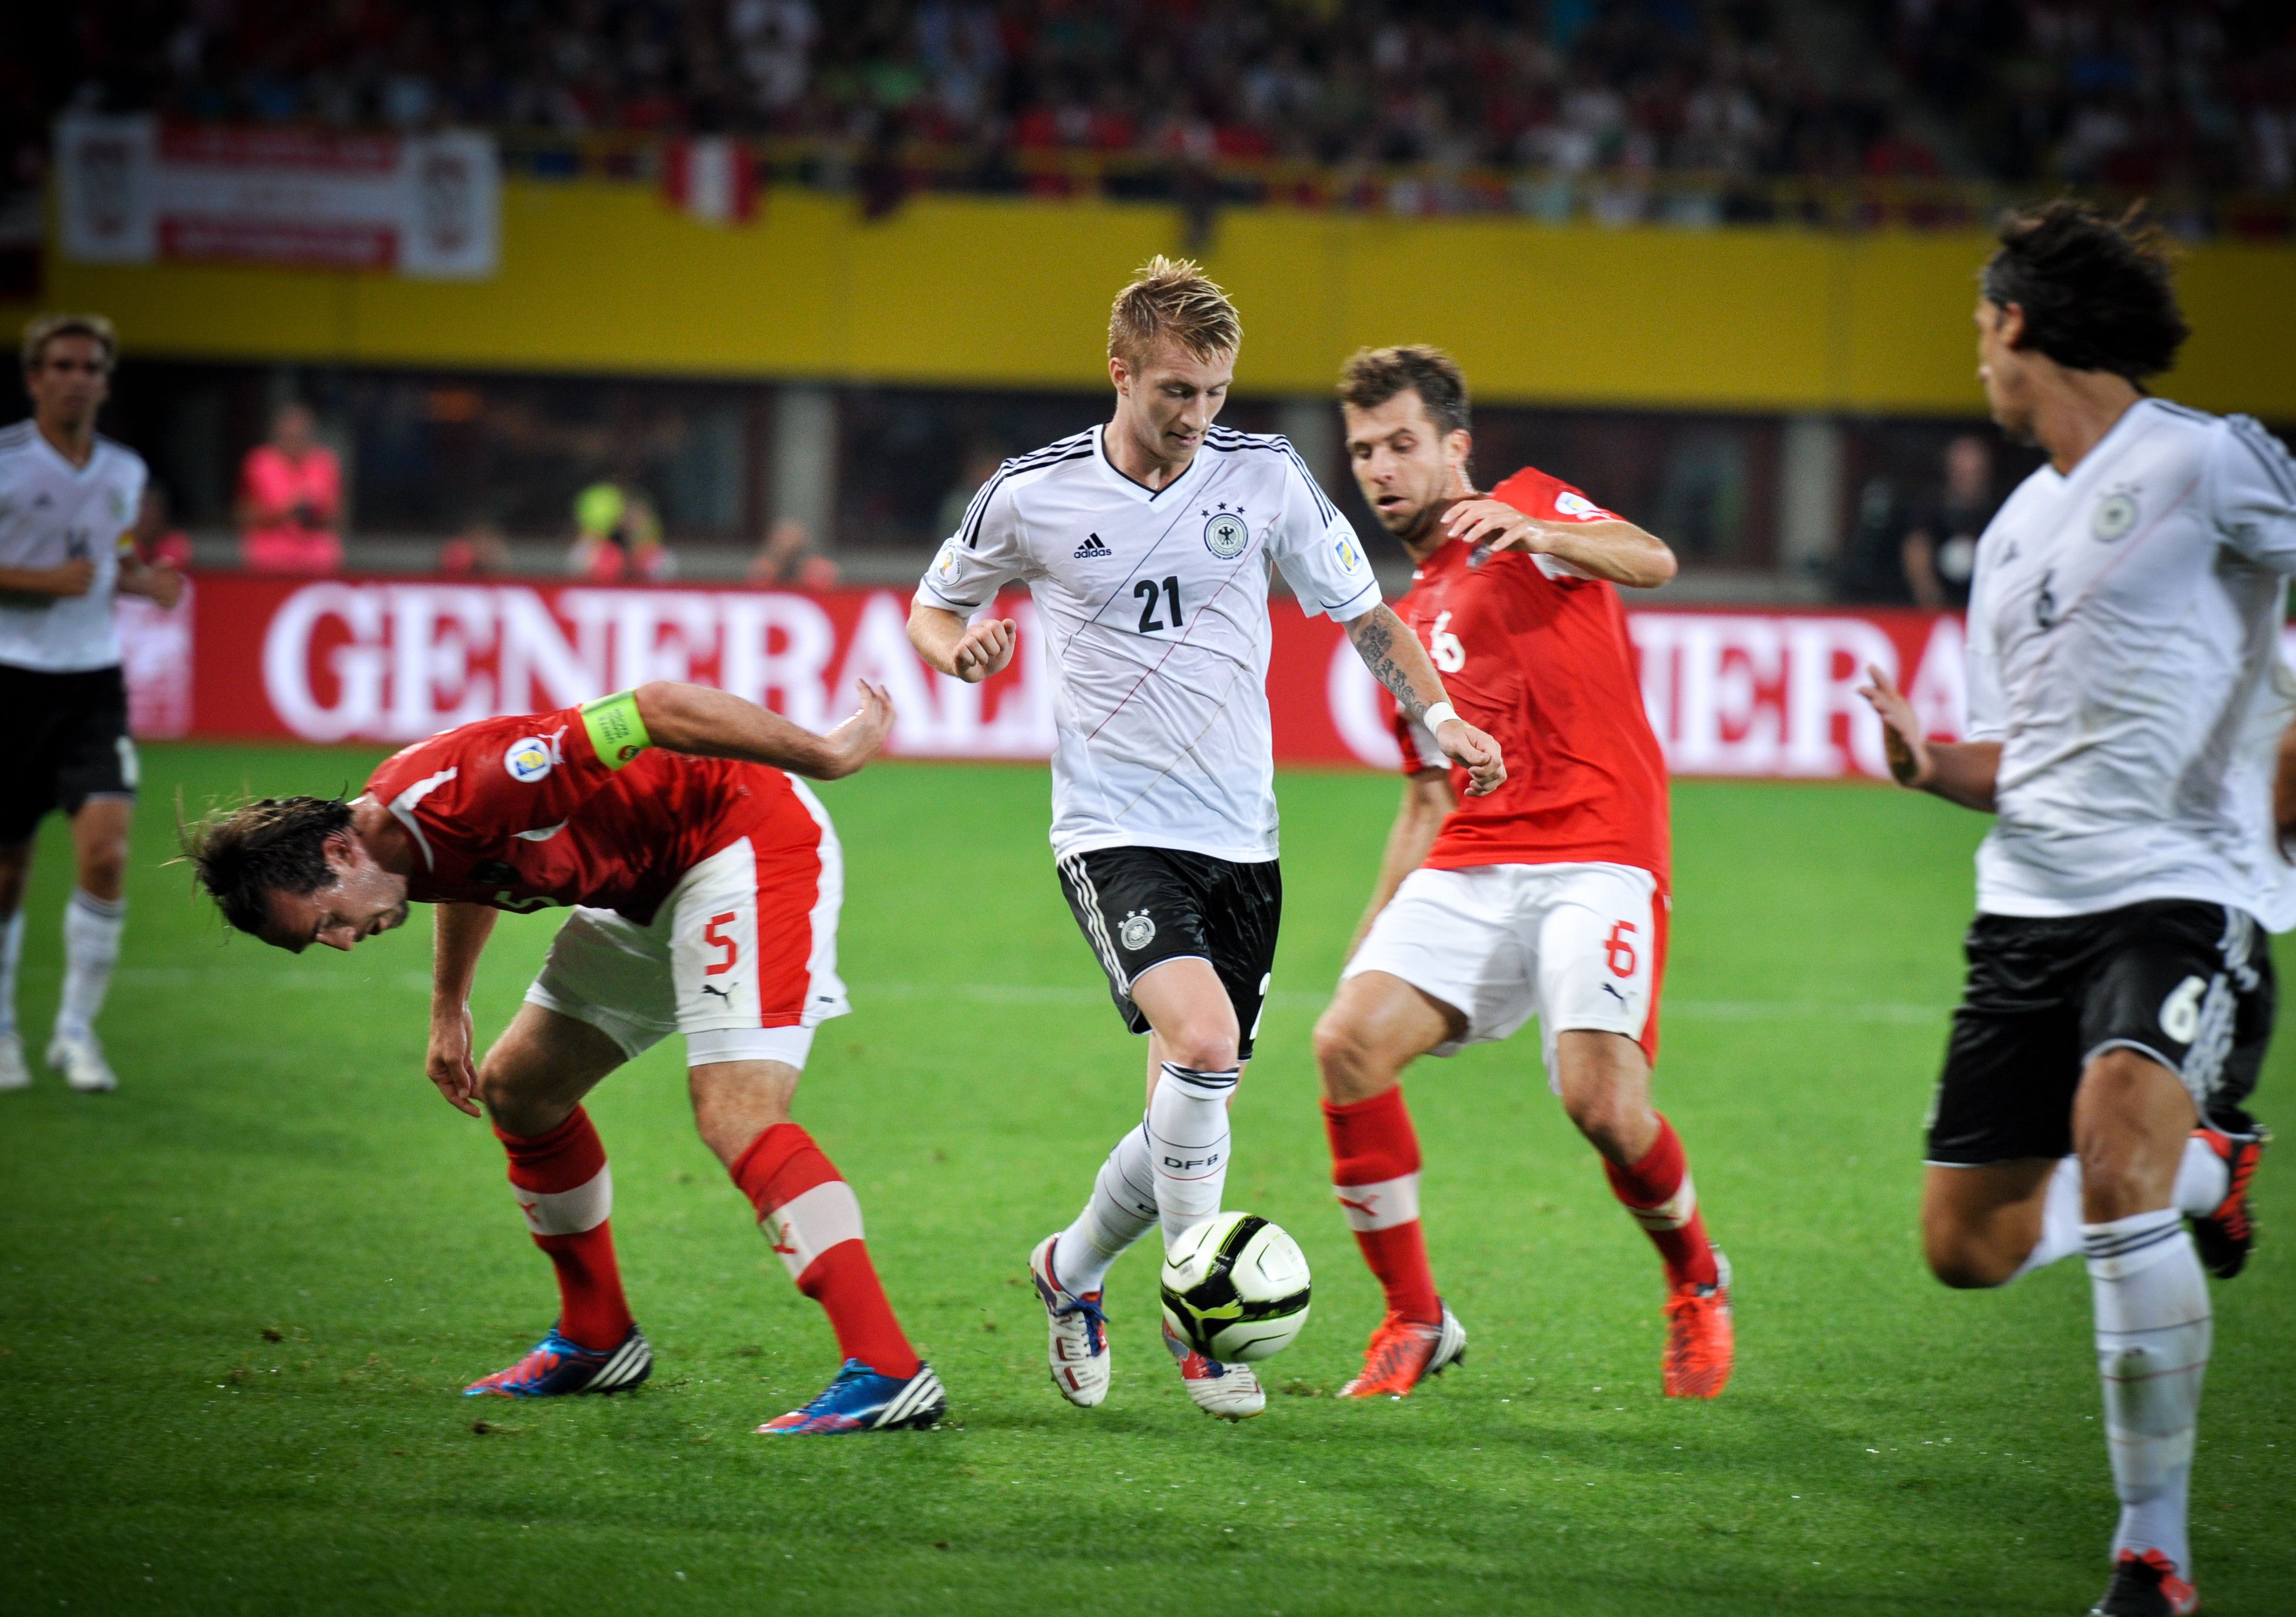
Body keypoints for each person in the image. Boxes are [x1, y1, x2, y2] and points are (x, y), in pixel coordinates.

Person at [1855, 202, 2296, 1617]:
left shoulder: (2202, 455)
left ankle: (2150, 1544)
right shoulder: (2008, 537)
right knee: (1966, 1242)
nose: (1978, 369)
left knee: (2111, 1162)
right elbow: (2020, 756)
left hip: (2179, 888)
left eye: (1978, 335)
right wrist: (1928, 760)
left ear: (2014, 326)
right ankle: (2212, 1168)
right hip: (2024, 906)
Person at [904, 257, 1504, 1422]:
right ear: (1119, 371)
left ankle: (1068, 1269)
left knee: (1198, 1085)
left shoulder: (1265, 477)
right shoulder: (1031, 494)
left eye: (1215, 392)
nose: (1195, 416)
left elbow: (1364, 615)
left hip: (1243, 833)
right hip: (1112, 827)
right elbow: (936, 604)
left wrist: (1438, 712)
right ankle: (1199, 1327)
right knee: (1203, 1034)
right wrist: (958, 651)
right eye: (1175, 390)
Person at [175, 676, 953, 1437]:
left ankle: (887, 1368)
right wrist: (450, 1007)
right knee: (519, 1090)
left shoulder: (464, 786)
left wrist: (823, 752)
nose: (341, 942)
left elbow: (657, 707)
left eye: (325, 924)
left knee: (735, 1111)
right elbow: (465, 872)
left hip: (739, 843)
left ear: (340, 852)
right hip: (641, 889)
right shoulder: (400, 847)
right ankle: (596, 1340)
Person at [1308, 346, 1731, 1402]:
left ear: (1454, 446)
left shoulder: (1526, 511)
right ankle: (1413, 1318)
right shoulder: (1397, 618)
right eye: (1363, 450)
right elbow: (1424, 797)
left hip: (1597, 848)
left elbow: (1652, 558)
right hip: (1473, 858)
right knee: (1345, 1043)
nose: (1380, 467)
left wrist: (1544, 529)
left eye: (1402, 443)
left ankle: (1696, 1278)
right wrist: (1370, 932)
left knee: (1600, 1102)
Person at [0, 314, 184, 1095]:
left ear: (105, 383)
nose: (76, 377)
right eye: (62, 364)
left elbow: (110, 558)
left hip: (92, 686)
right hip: (10, 680)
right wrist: (41, 584)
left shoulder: (123, 471)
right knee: (7, 872)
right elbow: (59, 571)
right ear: (35, 377)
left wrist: (143, 579)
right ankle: (4, 1030)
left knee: (107, 856)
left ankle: (75, 1033)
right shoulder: (5, 461)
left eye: (90, 367)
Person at [235, 401, 344, 575]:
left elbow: (338, 517)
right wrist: (285, 509)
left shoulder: (325, 463)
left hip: (315, 553)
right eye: (290, 436)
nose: (295, 441)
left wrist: (315, 510)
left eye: (301, 436)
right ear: (278, 433)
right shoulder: (259, 462)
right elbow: (243, 515)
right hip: (270, 552)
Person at [1903, 432, 1998, 607]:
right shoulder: (1929, 510)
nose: (1969, 480)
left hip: (1985, 606)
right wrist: (1930, 597)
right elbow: (1917, 549)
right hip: (1939, 606)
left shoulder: (1999, 512)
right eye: (1962, 473)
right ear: (1949, 471)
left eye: (1976, 473)